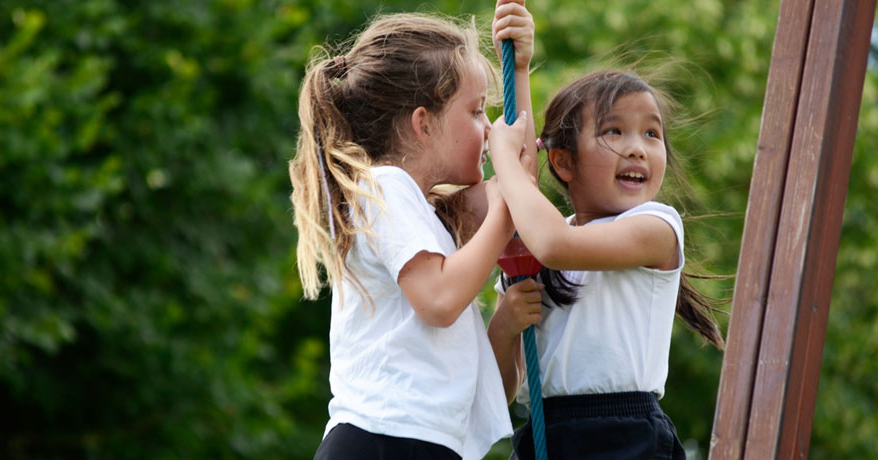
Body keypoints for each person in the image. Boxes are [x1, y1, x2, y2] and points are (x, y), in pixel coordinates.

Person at [289, 3, 536, 458]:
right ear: (423, 123)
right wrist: (503, 216)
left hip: (416, 443)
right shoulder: (384, 187)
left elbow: (523, 192)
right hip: (380, 441)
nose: (489, 130)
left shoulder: (430, 214)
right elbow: (438, 300)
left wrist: (518, 71)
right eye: (476, 112)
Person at [486, 70, 726, 459]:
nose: (638, 149)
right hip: (545, 437)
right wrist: (502, 328)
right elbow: (497, 393)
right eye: (614, 131)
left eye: (651, 133)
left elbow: (554, 244)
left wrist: (505, 161)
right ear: (563, 162)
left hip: (626, 438)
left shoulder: (657, 226)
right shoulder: (530, 252)